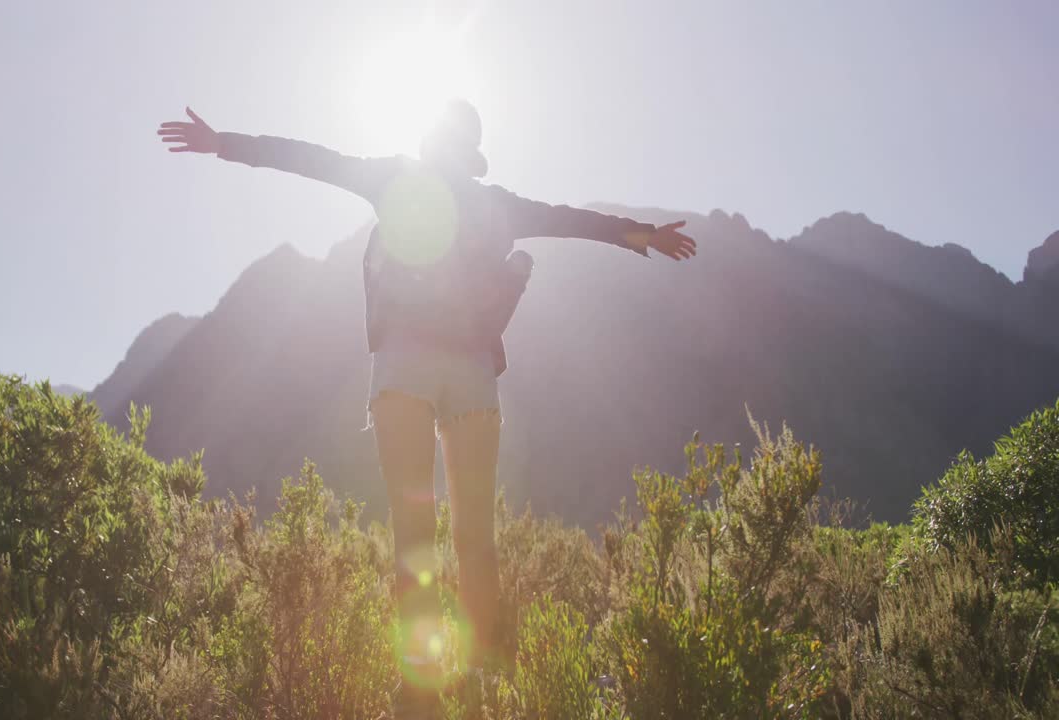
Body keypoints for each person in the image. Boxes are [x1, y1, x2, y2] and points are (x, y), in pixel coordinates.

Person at [157, 100, 696, 715]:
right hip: (471, 375)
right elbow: (567, 219)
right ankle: (475, 685)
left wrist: (221, 141)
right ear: (470, 154)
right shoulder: (497, 203)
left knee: (414, 540)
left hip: (402, 373)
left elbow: (309, 159)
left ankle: (420, 696)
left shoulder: (393, 177)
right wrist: (640, 234)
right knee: (477, 543)